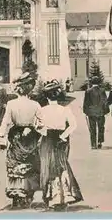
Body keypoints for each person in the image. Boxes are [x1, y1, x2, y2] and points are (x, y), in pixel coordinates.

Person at [35, 81, 82, 209]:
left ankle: (52, 197)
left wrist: (45, 132)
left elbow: (37, 127)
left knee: (48, 167)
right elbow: (73, 125)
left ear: (46, 96)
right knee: (62, 165)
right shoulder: (65, 109)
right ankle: (65, 195)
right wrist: (63, 135)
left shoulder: (42, 110)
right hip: (61, 140)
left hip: (48, 140)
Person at [0, 72, 41, 209]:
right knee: (30, 163)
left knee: (15, 163)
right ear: (29, 89)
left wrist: (1, 138)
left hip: (16, 136)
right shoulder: (35, 105)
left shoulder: (11, 104)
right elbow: (41, 122)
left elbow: (5, 122)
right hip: (31, 136)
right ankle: (28, 194)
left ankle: (16, 195)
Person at [83, 76, 108, 149]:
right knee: (101, 128)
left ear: (92, 82)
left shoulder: (88, 91)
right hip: (101, 112)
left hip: (91, 113)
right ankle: (100, 142)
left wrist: (85, 111)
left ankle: (93, 144)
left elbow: (86, 103)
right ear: (99, 82)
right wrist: (106, 111)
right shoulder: (102, 90)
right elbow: (105, 102)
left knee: (92, 129)